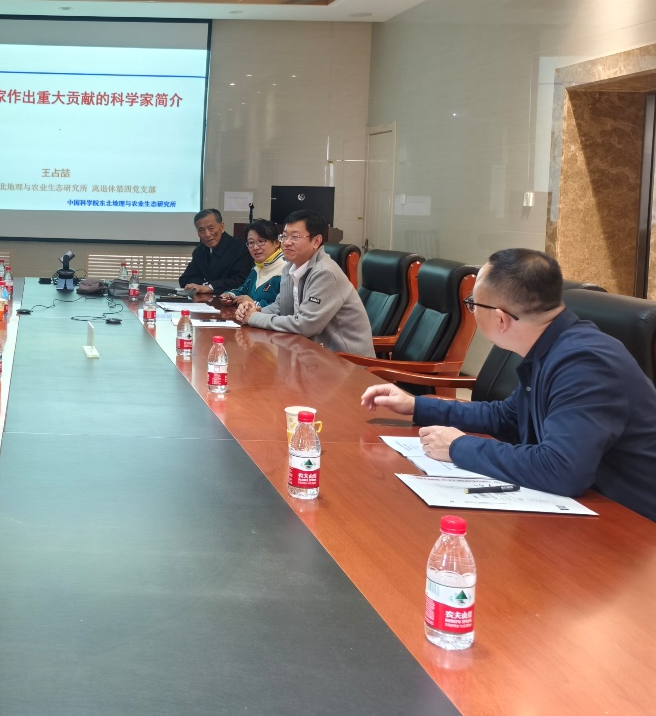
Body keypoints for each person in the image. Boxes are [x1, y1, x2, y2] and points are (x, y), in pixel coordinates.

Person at [361, 248, 656, 521]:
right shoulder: (552, 347)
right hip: (585, 510)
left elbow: (561, 469)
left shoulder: (585, 363)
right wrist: (416, 405)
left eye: (472, 304)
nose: (472, 311)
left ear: (500, 319)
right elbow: (508, 416)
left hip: (631, 526)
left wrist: (458, 447)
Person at [229, 209, 374, 356]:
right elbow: (280, 306)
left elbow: (306, 325)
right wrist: (255, 311)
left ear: (316, 241)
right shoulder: (290, 268)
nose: (286, 243)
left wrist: (254, 318)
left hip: (346, 361)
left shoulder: (325, 273)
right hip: (309, 353)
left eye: (295, 237)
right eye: (284, 236)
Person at [179, 208, 253, 297]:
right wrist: (205, 285)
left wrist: (210, 287)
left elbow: (242, 282)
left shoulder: (241, 247)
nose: (207, 234)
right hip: (208, 301)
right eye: (201, 230)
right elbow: (185, 279)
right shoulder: (200, 251)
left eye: (211, 228)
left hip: (235, 300)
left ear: (222, 227)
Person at [217, 220, 286, 307]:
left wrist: (254, 304)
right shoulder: (257, 267)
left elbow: (284, 308)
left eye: (261, 241)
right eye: (251, 243)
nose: (255, 247)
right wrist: (230, 295)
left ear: (276, 243)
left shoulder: (286, 269)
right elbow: (244, 290)